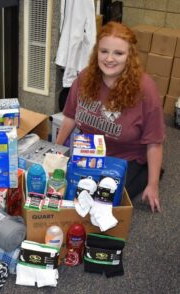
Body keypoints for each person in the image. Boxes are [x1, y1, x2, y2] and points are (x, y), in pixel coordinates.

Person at [56, 21, 165, 213]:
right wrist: (55, 151)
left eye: (118, 53)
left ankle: (146, 174)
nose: (109, 59)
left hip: (124, 158)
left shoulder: (146, 89)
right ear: (96, 51)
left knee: (100, 204)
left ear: (129, 56)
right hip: (88, 153)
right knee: (63, 189)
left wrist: (153, 184)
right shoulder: (85, 78)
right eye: (104, 51)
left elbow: (155, 142)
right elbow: (70, 117)